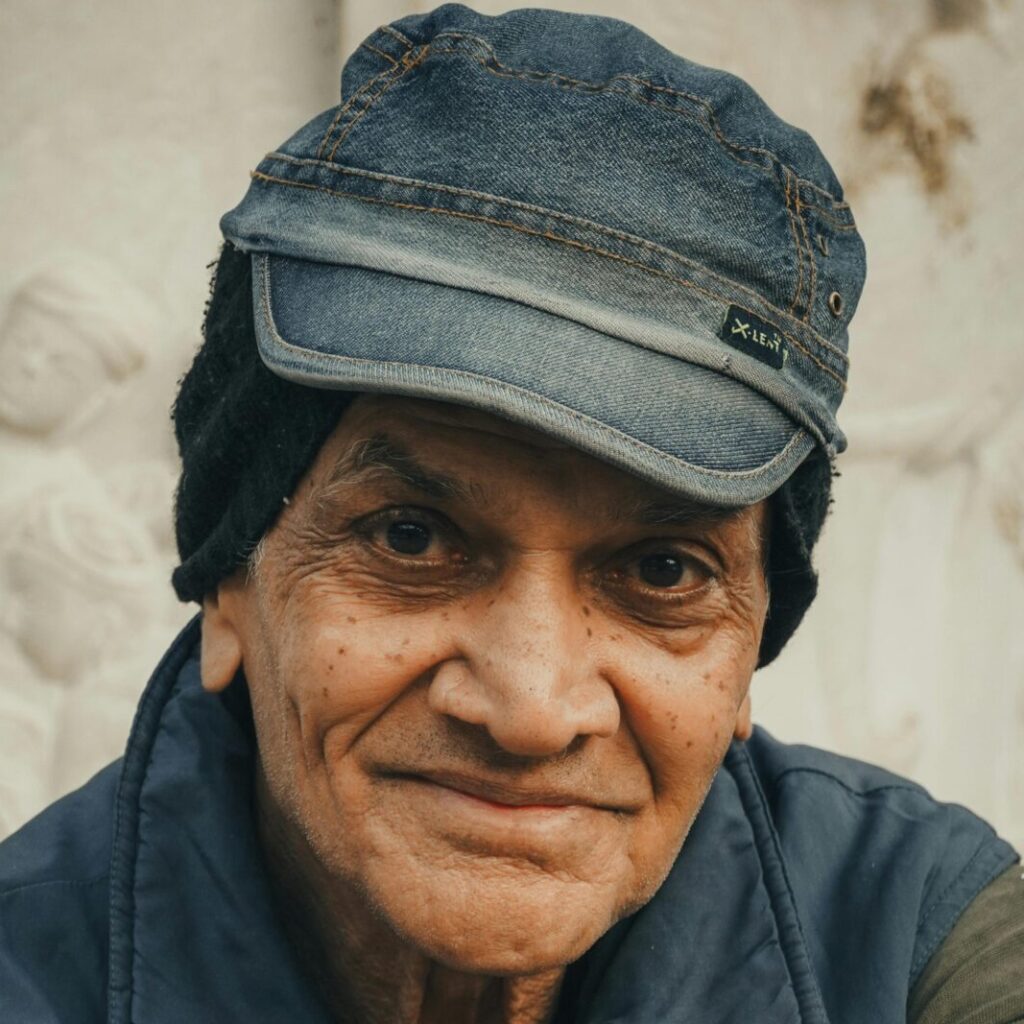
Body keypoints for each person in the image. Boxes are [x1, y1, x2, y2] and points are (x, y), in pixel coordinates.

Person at [1, 5, 1021, 1022]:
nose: (531, 709)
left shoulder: (921, 942)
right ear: (231, 580)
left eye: (662, 571)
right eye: (411, 537)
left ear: (750, 644)